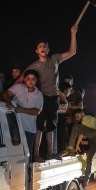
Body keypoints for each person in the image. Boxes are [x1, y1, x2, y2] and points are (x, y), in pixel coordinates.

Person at [12, 25, 78, 160]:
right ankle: (35, 154)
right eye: (40, 46)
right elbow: (20, 79)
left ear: (48, 49)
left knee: (51, 126)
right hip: (42, 97)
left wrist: (73, 34)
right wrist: (9, 93)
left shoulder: (54, 59)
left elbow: (72, 51)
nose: (43, 47)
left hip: (54, 98)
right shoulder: (34, 66)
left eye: (45, 46)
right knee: (40, 126)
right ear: (37, 50)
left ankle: (50, 153)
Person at [2, 70, 44, 162]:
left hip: (29, 129)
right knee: (13, 155)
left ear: (36, 80)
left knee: (26, 155)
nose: (30, 81)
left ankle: (27, 174)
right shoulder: (18, 87)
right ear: (24, 79)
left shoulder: (39, 94)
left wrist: (21, 109)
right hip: (14, 128)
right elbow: (5, 93)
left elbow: (37, 111)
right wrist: (8, 101)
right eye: (28, 78)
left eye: (33, 79)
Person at [67, 108, 96, 188]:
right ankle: (86, 180)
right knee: (89, 159)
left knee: (76, 127)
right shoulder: (92, 120)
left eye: (77, 116)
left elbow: (80, 133)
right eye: (75, 117)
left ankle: (70, 146)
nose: (77, 118)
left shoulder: (85, 118)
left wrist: (76, 146)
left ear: (82, 113)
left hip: (95, 133)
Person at [57, 81, 72, 152]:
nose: (70, 92)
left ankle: (64, 150)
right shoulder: (57, 99)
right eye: (69, 91)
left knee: (64, 138)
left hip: (63, 122)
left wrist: (69, 117)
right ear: (65, 90)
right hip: (56, 122)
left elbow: (67, 111)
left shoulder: (66, 100)